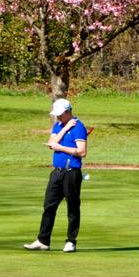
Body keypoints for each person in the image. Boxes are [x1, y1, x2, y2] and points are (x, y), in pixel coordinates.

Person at [24, 98, 87, 252]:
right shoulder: (59, 125)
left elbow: (82, 152)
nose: (58, 117)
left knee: (72, 208)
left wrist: (61, 148)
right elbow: (51, 144)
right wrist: (64, 130)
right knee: (49, 206)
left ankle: (71, 241)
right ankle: (43, 241)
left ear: (68, 112)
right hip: (57, 172)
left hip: (71, 173)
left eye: (60, 114)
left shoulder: (78, 127)